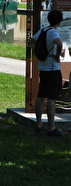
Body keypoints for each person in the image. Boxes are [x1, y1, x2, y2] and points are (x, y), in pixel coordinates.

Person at [31, 9, 63, 137]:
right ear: (59, 21)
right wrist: (57, 55)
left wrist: (38, 53)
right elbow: (59, 43)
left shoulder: (43, 30)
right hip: (52, 68)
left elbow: (32, 41)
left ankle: (39, 124)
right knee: (51, 98)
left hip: (43, 67)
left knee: (40, 95)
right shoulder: (54, 32)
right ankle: (51, 127)